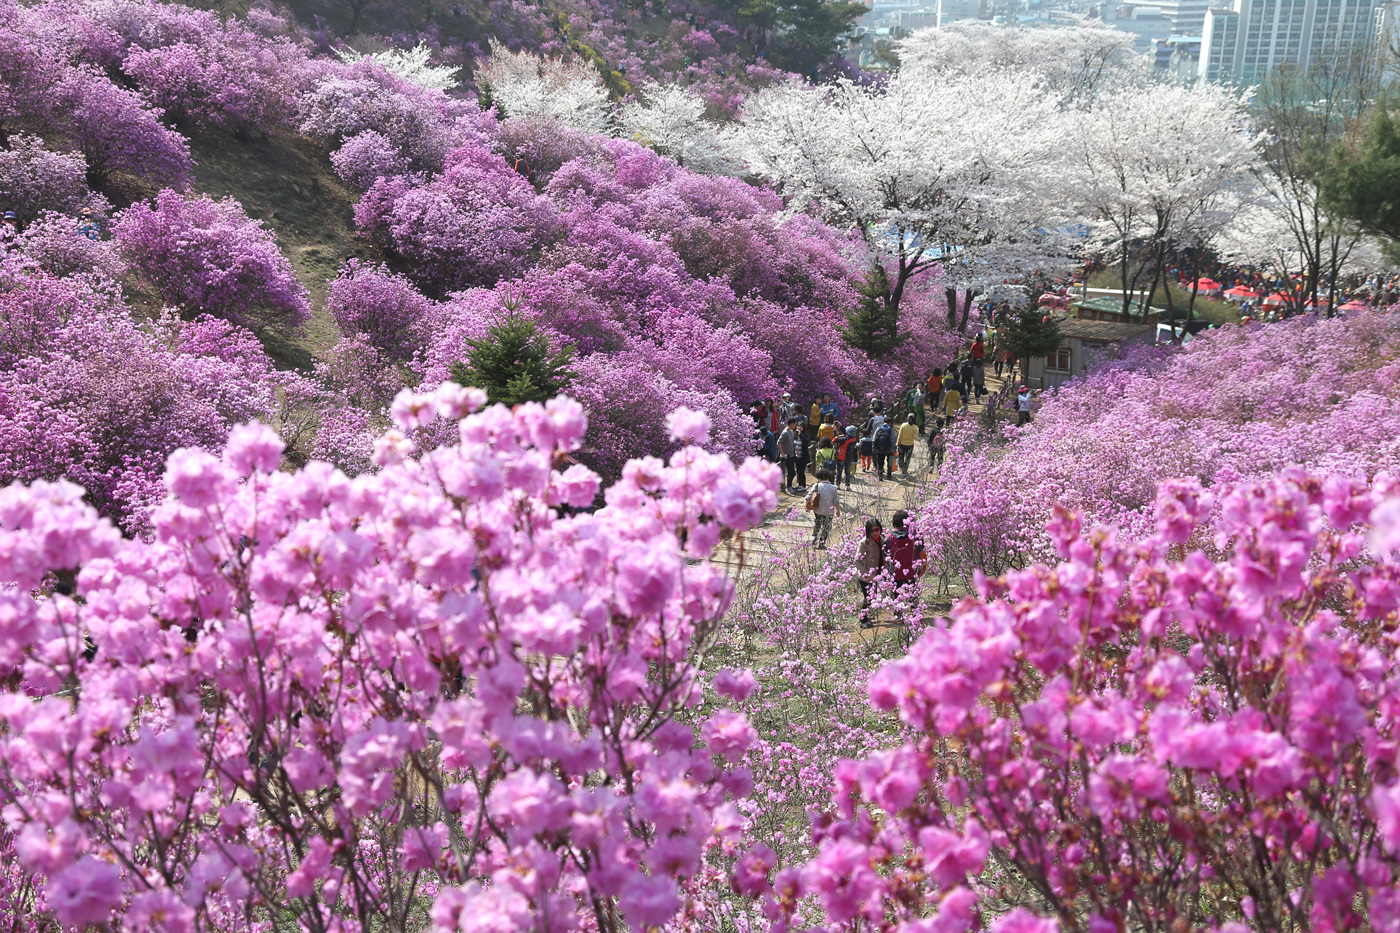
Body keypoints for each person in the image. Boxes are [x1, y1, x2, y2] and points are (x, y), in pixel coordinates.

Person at [884, 509, 927, 625]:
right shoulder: (915, 536)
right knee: (912, 593)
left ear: (894, 523)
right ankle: (915, 614)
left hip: (895, 573)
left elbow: (885, 553)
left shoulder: (889, 538)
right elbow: (921, 548)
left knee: (896, 595)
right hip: (911, 571)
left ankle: (898, 616)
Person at [856, 518, 884, 629]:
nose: (875, 532)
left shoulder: (882, 539)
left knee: (871, 597)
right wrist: (867, 574)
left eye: (877, 529)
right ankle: (863, 619)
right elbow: (856, 561)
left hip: (876, 574)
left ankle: (866, 617)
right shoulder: (864, 543)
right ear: (868, 532)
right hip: (866, 576)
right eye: (872, 531)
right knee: (868, 597)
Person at [807, 470, 840, 549]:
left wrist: (808, 506)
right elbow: (836, 501)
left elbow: (808, 496)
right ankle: (822, 543)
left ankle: (814, 536)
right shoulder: (833, 487)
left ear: (819, 478)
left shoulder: (817, 486)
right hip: (829, 511)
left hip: (818, 510)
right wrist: (838, 510)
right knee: (826, 527)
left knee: (818, 523)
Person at [778, 418, 802, 493]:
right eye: (795, 424)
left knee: (791, 471)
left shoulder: (791, 432)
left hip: (792, 454)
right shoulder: (785, 432)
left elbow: (792, 443)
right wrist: (782, 453)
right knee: (792, 472)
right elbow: (779, 443)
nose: (795, 426)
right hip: (787, 455)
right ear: (792, 423)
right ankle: (788, 487)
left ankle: (789, 485)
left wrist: (797, 451)